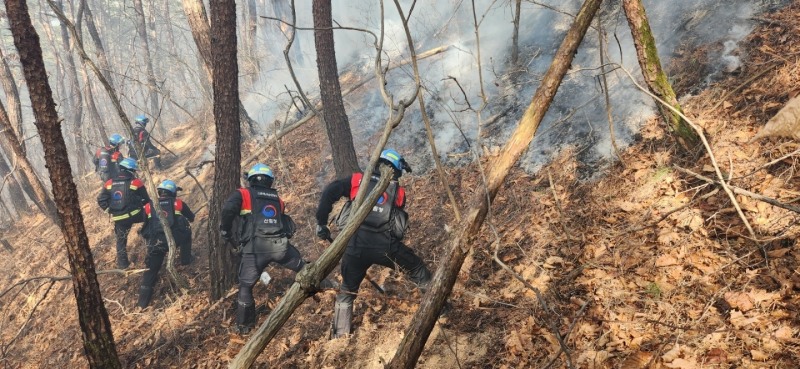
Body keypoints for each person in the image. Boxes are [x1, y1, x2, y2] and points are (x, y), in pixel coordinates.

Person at [315, 149, 434, 339]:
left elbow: (329, 191)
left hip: (354, 247)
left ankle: (339, 335)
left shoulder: (356, 181)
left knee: (347, 289)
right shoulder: (399, 192)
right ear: (396, 170)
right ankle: (439, 310)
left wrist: (321, 222)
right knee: (418, 269)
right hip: (386, 248)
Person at [220, 163, 333, 334]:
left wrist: (225, 230)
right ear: (270, 181)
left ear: (251, 179)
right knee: (302, 266)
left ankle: (245, 327)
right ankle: (329, 286)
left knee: (245, 287)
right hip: (280, 248)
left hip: (255, 250)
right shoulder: (278, 200)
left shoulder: (243, 194)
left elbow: (228, 210)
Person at [137, 179, 196, 308]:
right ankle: (186, 260)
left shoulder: (149, 205)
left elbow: (144, 223)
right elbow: (191, 217)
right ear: (173, 192)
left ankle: (142, 304)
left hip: (156, 243)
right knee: (187, 232)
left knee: (150, 272)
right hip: (175, 240)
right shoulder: (178, 203)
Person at [97, 158, 151, 269]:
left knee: (121, 241)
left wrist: (111, 210)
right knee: (151, 220)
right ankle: (148, 240)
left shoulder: (109, 183)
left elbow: (101, 199)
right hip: (136, 214)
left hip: (119, 218)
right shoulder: (136, 182)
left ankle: (123, 265)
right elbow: (146, 199)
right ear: (131, 170)